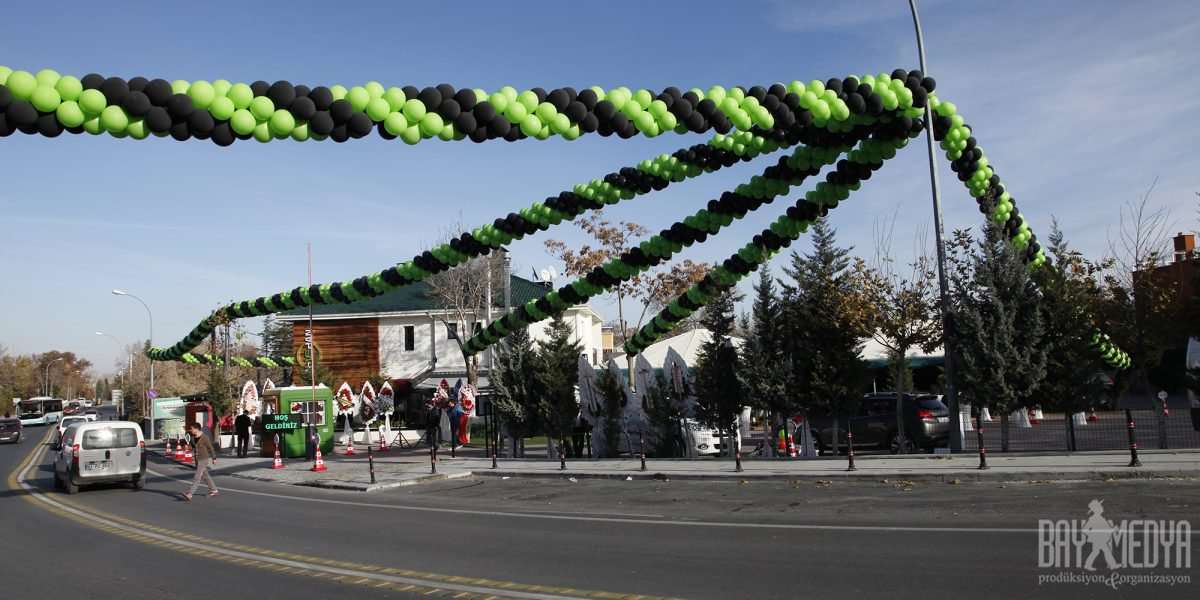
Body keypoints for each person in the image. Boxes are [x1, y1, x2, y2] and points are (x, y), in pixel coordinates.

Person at [181, 422, 218, 501]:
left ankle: (190, 493)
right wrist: (187, 447)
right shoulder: (193, 437)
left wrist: (214, 458)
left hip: (204, 459)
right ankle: (214, 490)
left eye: (192, 429)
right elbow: (192, 447)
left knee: (197, 477)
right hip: (197, 459)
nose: (191, 430)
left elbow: (211, 448)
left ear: (196, 429)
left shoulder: (205, 437)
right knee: (205, 475)